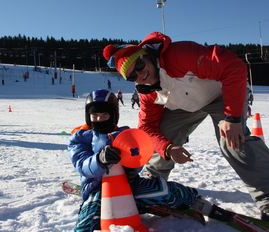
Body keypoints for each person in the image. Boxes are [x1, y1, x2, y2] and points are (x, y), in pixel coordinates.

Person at [102, 31, 269, 221]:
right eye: (132, 75)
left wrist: (233, 119)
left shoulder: (178, 55)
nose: (140, 74)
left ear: (147, 56)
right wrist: (168, 148)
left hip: (222, 93)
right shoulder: (147, 92)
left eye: (139, 65)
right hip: (186, 106)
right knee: (162, 136)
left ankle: (267, 196)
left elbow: (233, 67)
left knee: (232, 141)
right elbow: (147, 128)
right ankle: (153, 186)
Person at [68, 89, 231, 232]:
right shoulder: (81, 138)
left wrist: (132, 168)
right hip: (98, 190)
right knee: (83, 230)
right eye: (94, 115)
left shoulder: (125, 134)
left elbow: (138, 159)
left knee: (163, 188)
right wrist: (99, 159)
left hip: (130, 186)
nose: (99, 119)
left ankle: (193, 201)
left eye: (104, 115)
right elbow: (82, 164)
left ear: (113, 115)